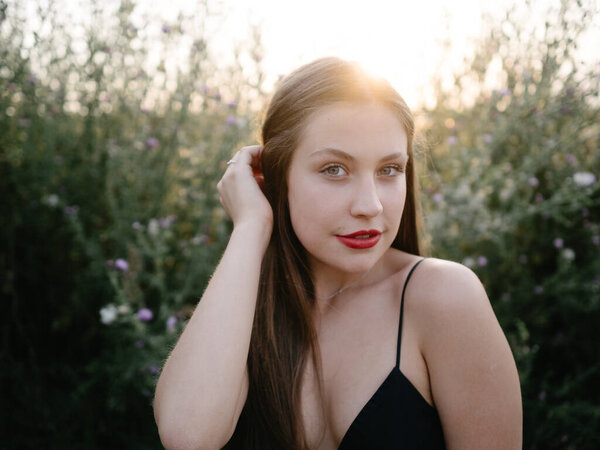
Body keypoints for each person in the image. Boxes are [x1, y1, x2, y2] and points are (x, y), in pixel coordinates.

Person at [153, 57, 523, 449]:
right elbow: (188, 436)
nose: (371, 205)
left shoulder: (444, 297)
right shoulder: (244, 306)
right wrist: (250, 226)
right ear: (277, 178)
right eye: (334, 169)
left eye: (389, 169)